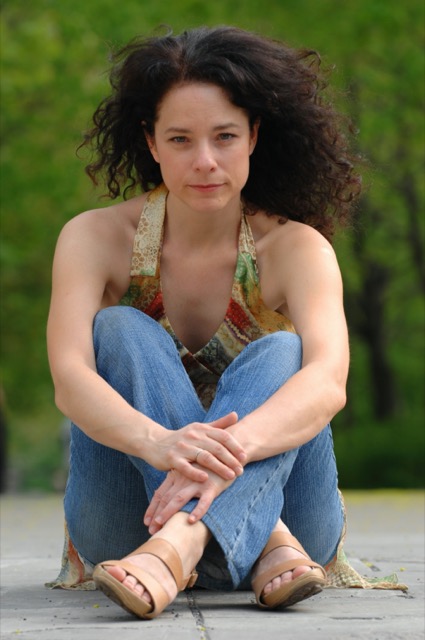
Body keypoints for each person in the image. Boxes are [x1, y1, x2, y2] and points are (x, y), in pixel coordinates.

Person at [47, 25, 363, 619]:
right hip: (127, 527)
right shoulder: (94, 238)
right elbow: (70, 378)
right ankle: (257, 541)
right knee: (119, 328)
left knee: (284, 355)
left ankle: (179, 546)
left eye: (225, 137)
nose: (205, 162)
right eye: (180, 139)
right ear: (151, 142)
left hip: (296, 518)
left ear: (254, 136)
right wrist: (162, 444)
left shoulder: (296, 248)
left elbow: (329, 381)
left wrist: (226, 455)